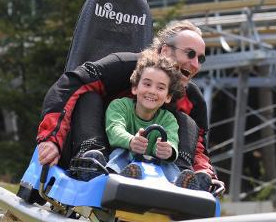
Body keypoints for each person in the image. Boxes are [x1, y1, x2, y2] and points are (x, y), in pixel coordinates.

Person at [36, 20, 222, 191]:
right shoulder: (123, 66)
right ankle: (90, 160)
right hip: (107, 149)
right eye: (190, 54)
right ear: (165, 50)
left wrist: (206, 173)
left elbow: (199, 147)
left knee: (188, 122)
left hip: (158, 165)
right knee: (88, 97)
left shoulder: (191, 97)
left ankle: (185, 177)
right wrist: (51, 140)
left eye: (201, 58)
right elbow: (68, 86)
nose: (196, 64)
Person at [104, 50, 199, 189]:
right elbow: (114, 129)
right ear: (135, 88)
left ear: (168, 97)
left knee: (168, 162)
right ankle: (118, 173)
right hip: (127, 157)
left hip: (155, 167)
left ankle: (179, 184)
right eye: (147, 84)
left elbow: (172, 139)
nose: (152, 91)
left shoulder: (168, 119)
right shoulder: (120, 106)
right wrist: (131, 141)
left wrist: (169, 150)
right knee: (122, 152)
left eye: (160, 88)